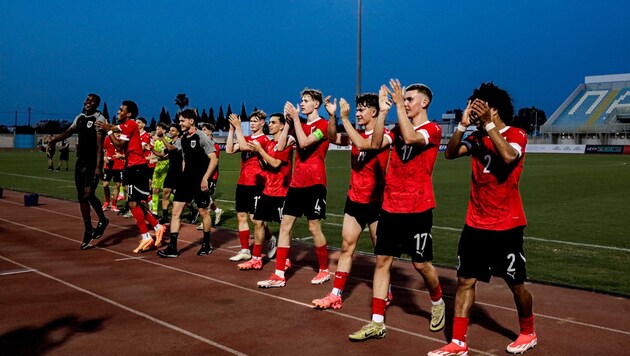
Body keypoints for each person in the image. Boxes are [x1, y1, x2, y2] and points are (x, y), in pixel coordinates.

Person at [429, 83, 537, 356]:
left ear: (494, 108)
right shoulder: (475, 137)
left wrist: (489, 126)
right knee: (465, 280)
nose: (473, 110)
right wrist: (463, 126)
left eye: (477, 105)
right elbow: (450, 153)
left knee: (516, 284)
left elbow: (509, 156)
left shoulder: (517, 134)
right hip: (475, 222)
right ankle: (458, 342)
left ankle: (528, 332)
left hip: (507, 223)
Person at [349, 80, 445, 341]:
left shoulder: (432, 129)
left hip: (418, 207)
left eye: (409, 99)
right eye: (404, 100)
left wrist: (398, 109)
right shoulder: (395, 128)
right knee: (382, 262)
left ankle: (437, 302)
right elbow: (376, 142)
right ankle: (377, 322)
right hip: (390, 206)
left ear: (424, 102)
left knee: (421, 264)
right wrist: (382, 111)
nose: (405, 103)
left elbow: (413, 137)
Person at [311, 92, 391, 309]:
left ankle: (387, 291)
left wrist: (345, 120)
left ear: (374, 112)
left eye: (361, 109)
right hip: (354, 199)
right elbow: (333, 137)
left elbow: (368, 145)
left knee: (381, 254)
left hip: (377, 202)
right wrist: (333, 117)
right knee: (347, 247)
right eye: (356, 109)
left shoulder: (385, 134)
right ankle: (336, 294)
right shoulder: (356, 133)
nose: (357, 113)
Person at [257, 88, 331, 288]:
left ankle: (324, 269)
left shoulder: (322, 125)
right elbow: (281, 147)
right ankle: (279, 274)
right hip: (296, 184)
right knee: (285, 226)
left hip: (315, 183)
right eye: (302, 100)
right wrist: (288, 123)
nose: (303, 103)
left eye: (306, 100)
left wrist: (296, 120)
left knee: (313, 227)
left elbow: (306, 143)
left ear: (316, 104)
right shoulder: (298, 125)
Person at [96, 100, 166, 253]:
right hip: (132, 167)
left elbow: (119, 143)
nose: (118, 111)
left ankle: (147, 235)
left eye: (121, 110)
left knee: (133, 204)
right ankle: (157, 227)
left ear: (129, 114)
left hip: (137, 169)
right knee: (135, 203)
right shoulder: (126, 127)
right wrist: (105, 127)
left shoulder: (131, 124)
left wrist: (108, 130)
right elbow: (119, 135)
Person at [47, 94, 109, 249]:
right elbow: (69, 132)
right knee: (82, 197)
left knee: (88, 194)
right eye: (87, 100)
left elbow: (100, 146)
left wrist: (98, 167)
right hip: (80, 161)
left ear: (97, 104)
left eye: (92, 101)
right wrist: (53, 141)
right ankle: (88, 229)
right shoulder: (80, 118)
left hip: (92, 161)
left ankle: (102, 219)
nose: (88, 102)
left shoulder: (99, 120)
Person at [156, 109, 218, 258]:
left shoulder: (201, 137)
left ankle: (206, 244)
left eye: (183, 120)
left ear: (191, 121)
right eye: (180, 120)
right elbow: (180, 155)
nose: (180, 123)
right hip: (185, 181)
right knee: (176, 212)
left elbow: (214, 159)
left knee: (203, 211)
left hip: (199, 180)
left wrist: (205, 179)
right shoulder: (183, 138)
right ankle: (172, 247)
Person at [237, 113, 292, 270]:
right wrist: (259, 154)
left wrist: (260, 151)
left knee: (284, 226)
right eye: (270, 122)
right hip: (268, 189)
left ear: (282, 126)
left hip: (282, 190)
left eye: (273, 122)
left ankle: (286, 258)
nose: (270, 125)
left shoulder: (287, 142)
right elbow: (265, 166)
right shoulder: (268, 145)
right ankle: (256, 258)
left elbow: (275, 163)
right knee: (259, 222)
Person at [225, 111, 273, 262]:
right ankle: (245, 249)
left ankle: (270, 239)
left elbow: (245, 148)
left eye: (255, 121)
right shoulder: (245, 137)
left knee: (256, 219)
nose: (252, 123)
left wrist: (238, 128)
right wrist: (232, 129)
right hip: (243, 182)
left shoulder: (264, 140)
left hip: (257, 183)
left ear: (262, 123)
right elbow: (229, 150)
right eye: (250, 121)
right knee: (241, 216)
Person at [197, 123, 224, 229]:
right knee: (205, 196)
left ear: (210, 131)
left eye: (205, 129)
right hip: (202, 174)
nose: (202, 131)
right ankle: (217, 211)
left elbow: (214, 160)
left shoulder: (214, 145)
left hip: (211, 175)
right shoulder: (201, 143)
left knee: (205, 197)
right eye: (202, 129)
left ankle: (204, 222)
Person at [157, 123, 182, 225]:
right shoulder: (170, 142)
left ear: (178, 132)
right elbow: (162, 154)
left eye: (173, 130)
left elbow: (171, 148)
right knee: (165, 192)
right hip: (171, 171)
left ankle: (193, 211)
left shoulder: (180, 142)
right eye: (170, 130)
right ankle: (165, 216)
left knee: (181, 195)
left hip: (180, 171)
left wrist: (162, 138)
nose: (170, 132)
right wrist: (150, 149)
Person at [149, 123, 170, 217]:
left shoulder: (168, 141)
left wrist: (155, 158)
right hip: (158, 169)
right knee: (155, 190)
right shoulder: (157, 142)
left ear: (164, 130)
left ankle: (187, 204)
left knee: (167, 192)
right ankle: (155, 212)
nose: (157, 130)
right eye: (156, 129)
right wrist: (146, 158)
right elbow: (156, 154)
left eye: (159, 129)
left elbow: (164, 155)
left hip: (167, 168)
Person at [101, 132, 126, 212]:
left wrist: (122, 156)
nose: (118, 133)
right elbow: (102, 149)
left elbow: (127, 151)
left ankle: (114, 204)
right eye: (116, 131)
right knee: (105, 185)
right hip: (109, 165)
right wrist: (104, 157)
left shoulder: (123, 139)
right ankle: (107, 202)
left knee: (117, 185)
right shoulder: (108, 138)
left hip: (119, 165)